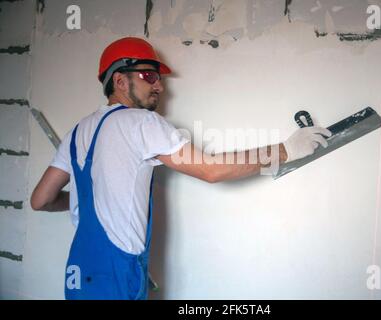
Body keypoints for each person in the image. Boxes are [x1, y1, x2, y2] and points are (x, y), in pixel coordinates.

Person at [30, 37, 331, 300]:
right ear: (120, 81)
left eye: (158, 77)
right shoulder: (141, 123)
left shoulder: (77, 131)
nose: (159, 85)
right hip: (116, 276)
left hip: (77, 274)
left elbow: (40, 200)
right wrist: (285, 150)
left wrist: (93, 198)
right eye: (149, 75)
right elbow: (211, 170)